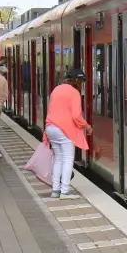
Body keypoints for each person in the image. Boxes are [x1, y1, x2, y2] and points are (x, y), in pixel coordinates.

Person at [45, 69, 91, 199]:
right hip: (64, 130)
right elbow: (76, 115)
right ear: (77, 81)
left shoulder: (57, 89)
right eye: (82, 81)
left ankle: (55, 190)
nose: (82, 84)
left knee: (58, 159)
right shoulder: (74, 93)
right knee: (67, 159)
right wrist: (86, 126)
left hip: (51, 127)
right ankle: (65, 191)